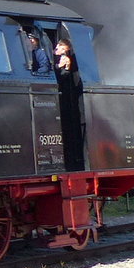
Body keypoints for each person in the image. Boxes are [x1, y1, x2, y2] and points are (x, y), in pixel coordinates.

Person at [54, 38, 85, 171]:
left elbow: (62, 79)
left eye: (58, 47)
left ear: (65, 49)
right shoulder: (58, 58)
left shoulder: (66, 60)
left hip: (64, 99)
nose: (55, 48)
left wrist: (64, 67)